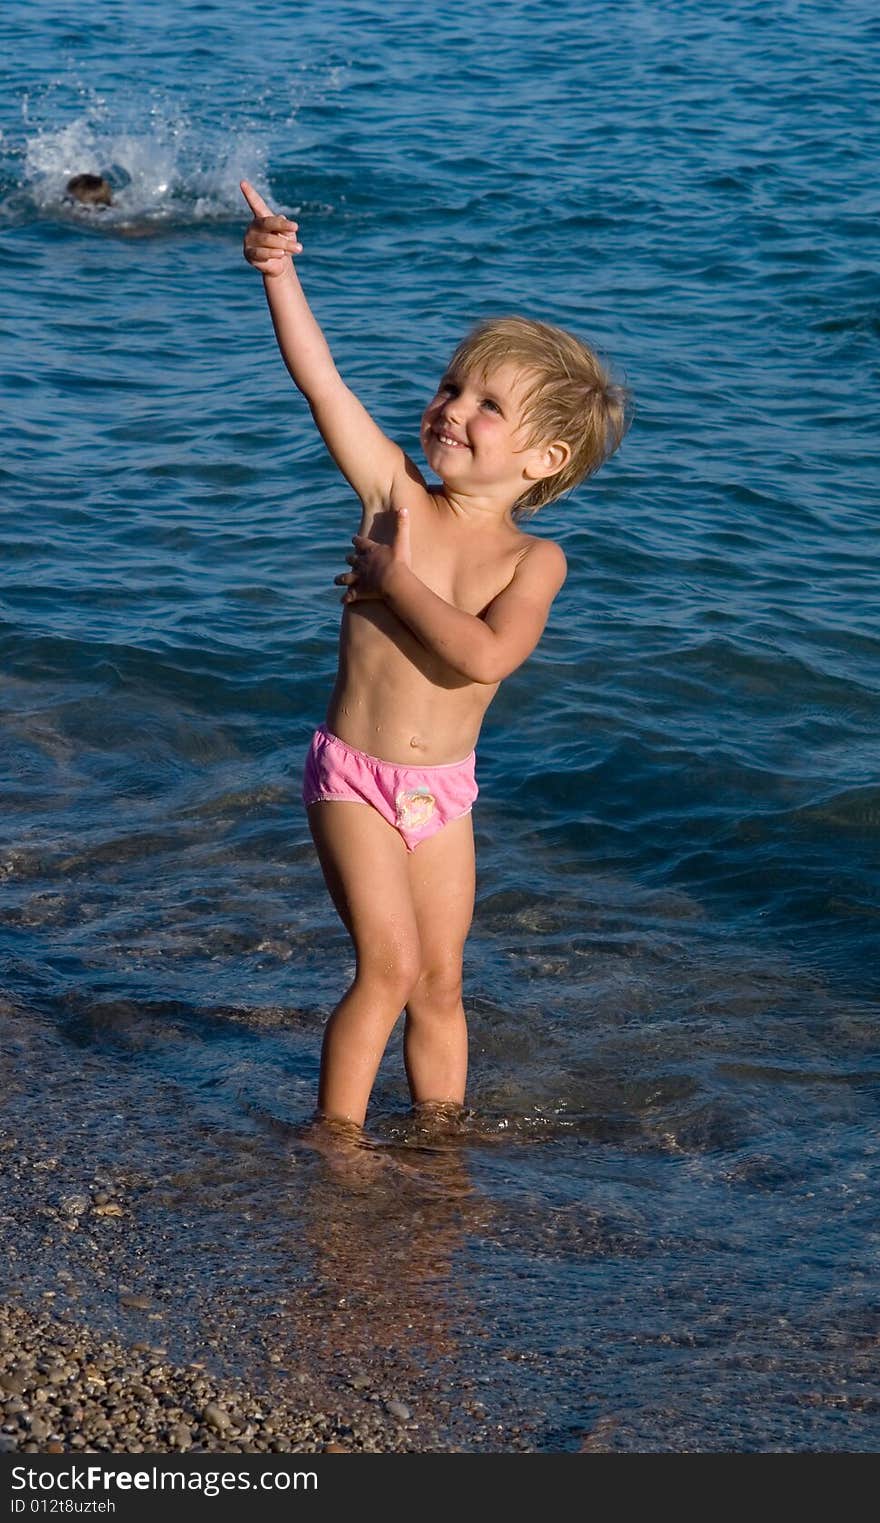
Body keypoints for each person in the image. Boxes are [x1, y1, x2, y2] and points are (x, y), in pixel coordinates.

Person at [240, 179, 630, 1132]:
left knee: (443, 980)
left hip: (444, 792)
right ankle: (337, 1145)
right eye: (452, 386)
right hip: (354, 777)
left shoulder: (535, 560)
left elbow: (487, 657)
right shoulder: (395, 501)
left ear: (543, 461)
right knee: (389, 966)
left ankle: (441, 1141)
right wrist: (280, 272)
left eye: (489, 404)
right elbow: (322, 383)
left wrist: (392, 581)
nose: (454, 407)